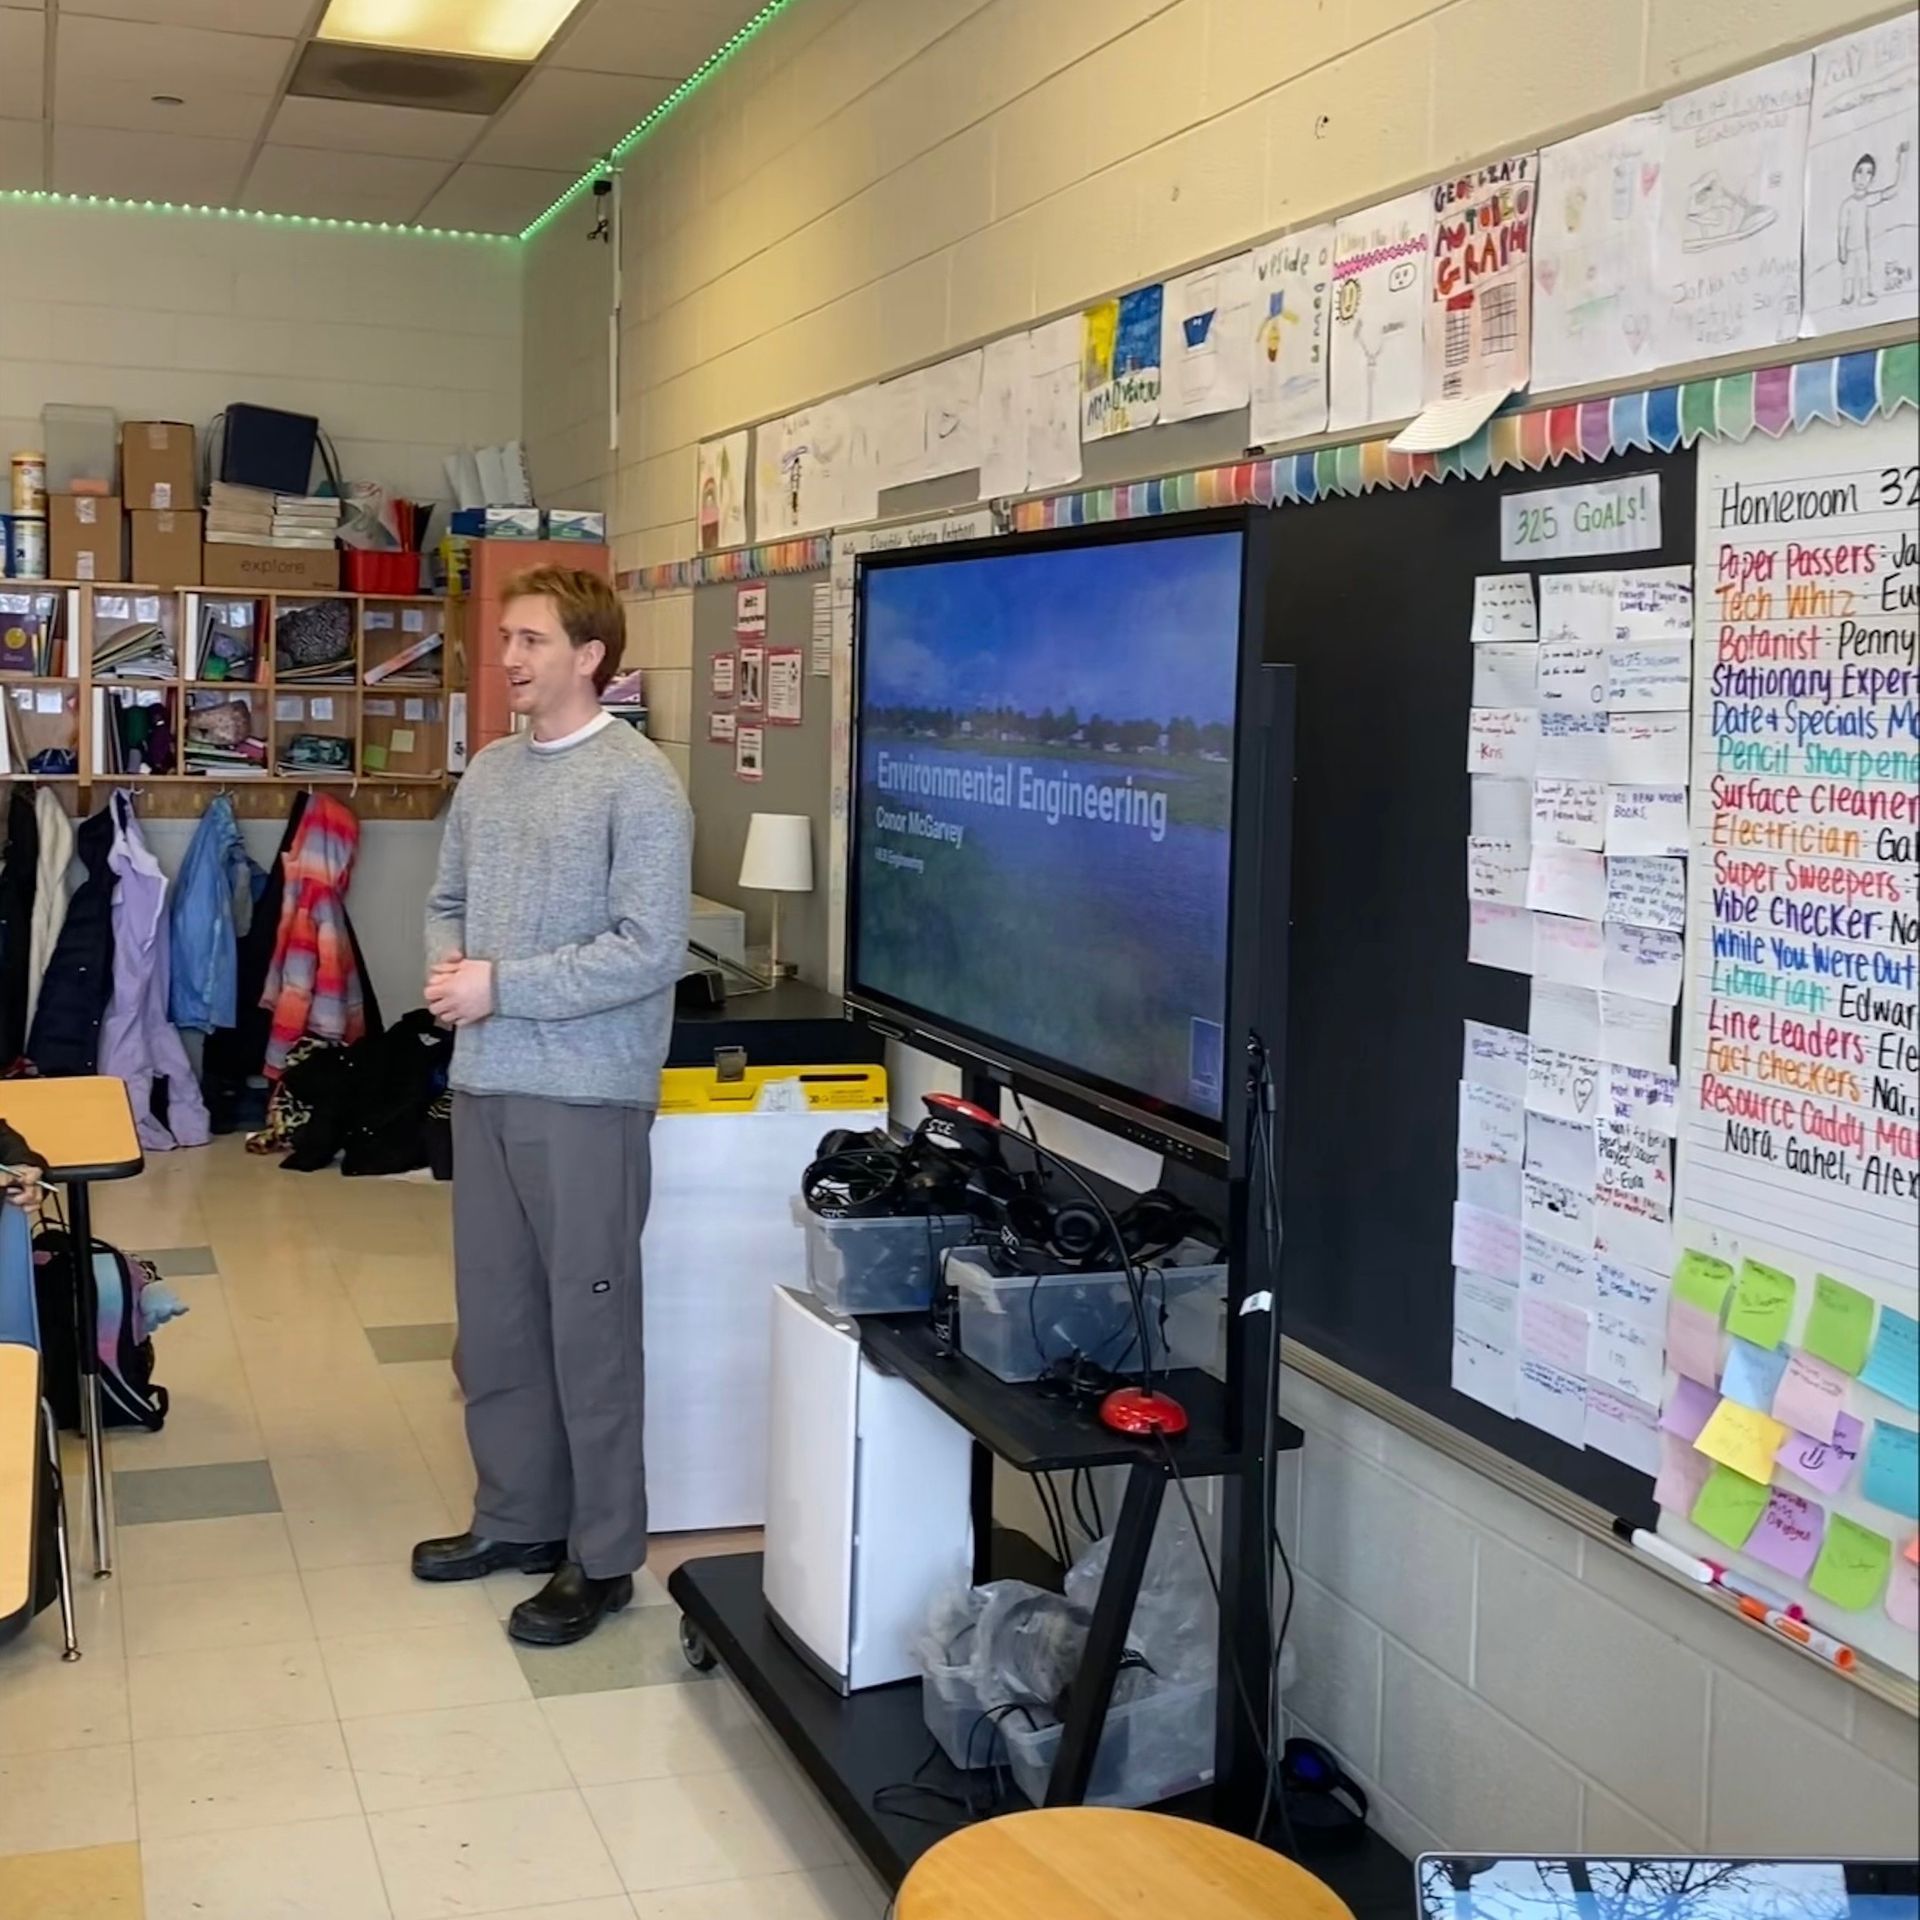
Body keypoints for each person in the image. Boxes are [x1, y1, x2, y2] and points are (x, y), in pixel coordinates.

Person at [412, 567, 691, 1647]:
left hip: (586, 1095)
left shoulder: (640, 784)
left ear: (590, 655)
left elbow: (649, 948)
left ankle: (604, 1556)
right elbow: (446, 899)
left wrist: (503, 986)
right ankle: (517, 1518)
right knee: (497, 1322)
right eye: (506, 638)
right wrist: (452, 970)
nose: (510, 658)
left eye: (531, 639)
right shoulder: (490, 772)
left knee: (590, 1327)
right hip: (485, 1078)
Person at [1838, 143, 1911, 308]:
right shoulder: (1847, 204)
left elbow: (1893, 190)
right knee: (1848, 274)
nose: (1863, 178)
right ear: (1853, 175)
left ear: (1872, 179)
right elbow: (1842, 229)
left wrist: (1902, 160)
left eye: (1869, 173)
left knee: (1864, 272)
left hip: (1862, 247)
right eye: (1860, 171)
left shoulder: (1867, 200)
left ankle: (1864, 295)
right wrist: (1841, 249)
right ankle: (1846, 298)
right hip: (1850, 248)